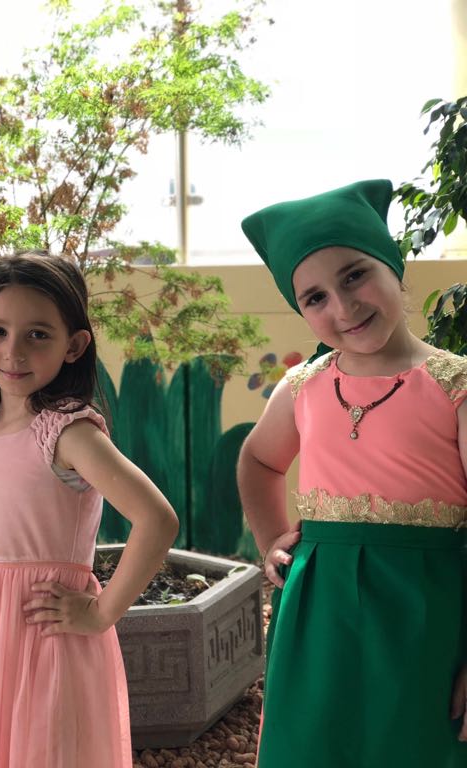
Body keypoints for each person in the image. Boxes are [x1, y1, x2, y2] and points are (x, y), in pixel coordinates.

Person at [237, 179, 467, 767]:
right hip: (318, 613)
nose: (343, 307)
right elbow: (259, 461)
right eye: (315, 297)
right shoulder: (303, 388)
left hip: (427, 613)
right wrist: (271, 539)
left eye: (355, 275)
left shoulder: (456, 388)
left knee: (417, 747)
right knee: (315, 747)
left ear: (394, 267)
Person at [0, 252, 178, 767]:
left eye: (37, 334)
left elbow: (157, 520)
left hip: (47, 630)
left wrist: (102, 613)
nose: (13, 351)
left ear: (74, 345)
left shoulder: (69, 432)